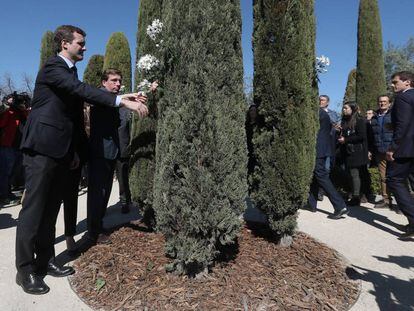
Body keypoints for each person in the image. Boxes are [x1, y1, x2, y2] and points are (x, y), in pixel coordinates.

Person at [15, 25, 149, 295]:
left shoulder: (70, 73)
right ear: (65, 44)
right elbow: (82, 91)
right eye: (80, 43)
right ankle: (25, 270)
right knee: (34, 210)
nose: (84, 47)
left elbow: (75, 118)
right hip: (41, 147)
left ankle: (45, 260)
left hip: (62, 152)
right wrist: (122, 102)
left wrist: (76, 153)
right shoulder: (54, 67)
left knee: (51, 209)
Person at [307, 102, 348, 219]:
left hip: (318, 150)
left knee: (321, 176)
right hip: (324, 149)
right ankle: (312, 204)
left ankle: (340, 206)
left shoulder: (316, 113)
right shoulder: (323, 114)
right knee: (316, 175)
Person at [386, 71, 414, 238]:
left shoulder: (403, 98)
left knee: (394, 180)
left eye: (396, 81)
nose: (393, 84)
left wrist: (392, 147)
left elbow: (403, 125)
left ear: (407, 82)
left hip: (405, 149)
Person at [338, 102, 370, 206]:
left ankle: (356, 197)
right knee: (351, 174)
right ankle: (354, 193)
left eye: (346, 108)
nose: (344, 110)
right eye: (343, 108)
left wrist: (346, 139)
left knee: (355, 174)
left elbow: (361, 136)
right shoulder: (344, 121)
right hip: (347, 152)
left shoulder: (360, 121)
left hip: (357, 152)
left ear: (352, 109)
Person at [0, 93, 29, 207]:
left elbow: (28, 118)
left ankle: (8, 193)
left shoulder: (22, 112)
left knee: (13, 173)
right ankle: (3, 196)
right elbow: (1, 123)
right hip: (8, 146)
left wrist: (23, 108)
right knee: (5, 172)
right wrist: (8, 106)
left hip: (19, 147)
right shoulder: (8, 112)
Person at [368, 95, 393, 209]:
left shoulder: (394, 114)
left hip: (393, 151)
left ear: (389, 103)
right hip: (379, 151)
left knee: (399, 177)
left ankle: (405, 203)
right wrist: (371, 150)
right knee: (383, 177)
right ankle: (386, 200)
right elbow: (372, 136)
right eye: (380, 101)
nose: (382, 103)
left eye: (384, 101)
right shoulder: (374, 117)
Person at [317, 95, 340, 201]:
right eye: (319, 100)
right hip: (320, 145)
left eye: (322, 100)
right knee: (320, 171)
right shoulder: (315, 112)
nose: (320, 102)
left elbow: (337, 127)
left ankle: (323, 192)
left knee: (325, 169)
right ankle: (318, 192)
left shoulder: (332, 114)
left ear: (328, 102)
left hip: (328, 145)